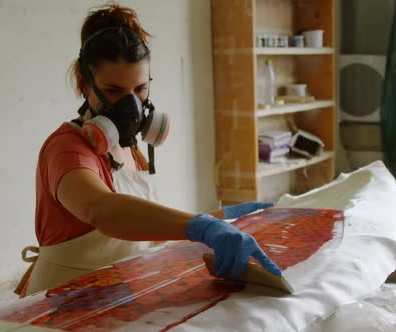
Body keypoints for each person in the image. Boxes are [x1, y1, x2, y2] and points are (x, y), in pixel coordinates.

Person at [15, 2, 280, 297]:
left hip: (120, 291)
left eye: (140, 90)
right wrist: (201, 226)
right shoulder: (66, 149)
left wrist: (224, 219)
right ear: (84, 84)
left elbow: (142, 235)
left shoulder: (132, 150)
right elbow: (101, 210)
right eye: (114, 91)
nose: (131, 107)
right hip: (63, 302)